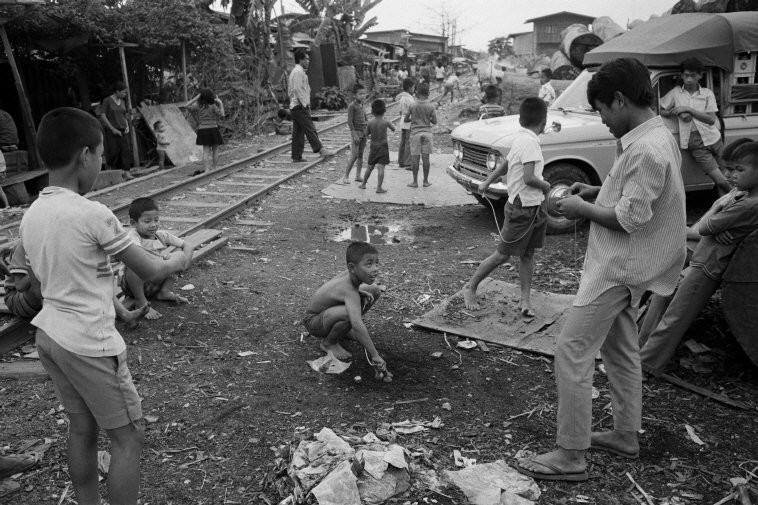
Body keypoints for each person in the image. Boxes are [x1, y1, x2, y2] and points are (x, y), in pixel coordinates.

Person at [517, 58, 686, 481]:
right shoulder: (655, 135)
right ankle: (626, 435)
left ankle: (571, 455)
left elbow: (630, 217)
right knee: (621, 351)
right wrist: (596, 189)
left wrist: (580, 207)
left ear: (620, 99)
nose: (604, 121)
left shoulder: (645, 147)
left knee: (571, 352)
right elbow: (635, 194)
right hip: (636, 265)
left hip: (618, 267)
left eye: (602, 111)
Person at [20, 107, 193, 505]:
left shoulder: (32, 214)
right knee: (128, 437)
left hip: (51, 336)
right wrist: (182, 257)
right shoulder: (92, 213)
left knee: (82, 430)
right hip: (88, 344)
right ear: (85, 155)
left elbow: (49, 281)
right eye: (100, 154)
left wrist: (111, 302)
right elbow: (150, 268)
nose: (100, 162)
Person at [639, 141, 758, 374]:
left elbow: (700, 228)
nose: (730, 175)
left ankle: (643, 367)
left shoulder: (748, 204)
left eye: (739, 170)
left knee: (674, 319)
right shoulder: (742, 194)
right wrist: (715, 218)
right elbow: (706, 226)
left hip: (709, 267)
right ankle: (636, 351)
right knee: (660, 296)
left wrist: (715, 212)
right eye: (729, 169)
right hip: (703, 256)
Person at [462, 97, 550, 316]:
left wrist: (486, 181)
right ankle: (470, 286)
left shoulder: (521, 138)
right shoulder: (529, 142)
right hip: (522, 207)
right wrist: (546, 185)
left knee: (528, 254)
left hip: (534, 206)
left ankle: (525, 300)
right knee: (502, 255)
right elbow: (530, 178)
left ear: (520, 120)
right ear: (544, 122)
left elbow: (507, 164)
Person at [2, 241, 148, 327]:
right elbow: (20, 286)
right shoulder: (26, 243)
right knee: (48, 278)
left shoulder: (59, 239)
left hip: (47, 292)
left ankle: (125, 314)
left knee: (92, 273)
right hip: (20, 299)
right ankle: (54, 325)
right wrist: (39, 264)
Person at [302, 241, 388, 372]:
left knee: (374, 290)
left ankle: (344, 329)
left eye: (376, 263)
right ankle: (329, 343)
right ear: (352, 267)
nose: (375, 269)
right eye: (369, 264)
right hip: (314, 322)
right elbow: (358, 323)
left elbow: (337, 291)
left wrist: (359, 292)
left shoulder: (350, 275)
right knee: (350, 315)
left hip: (327, 313)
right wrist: (375, 356)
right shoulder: (349, 291)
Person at [660, 58, 731, 195]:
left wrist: (689, 110)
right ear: (681, 76)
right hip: (694, 142)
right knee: (721, 180)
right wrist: (677, 113)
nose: (689, 79)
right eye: (686, 75)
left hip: (714, 138)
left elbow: (711, 120)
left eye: (693, 75)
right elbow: (661, 109)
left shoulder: (707, 93)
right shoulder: (676, 92)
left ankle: (728, 209)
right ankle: (741, 200)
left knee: (725, 177)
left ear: (700, 75)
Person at [120, 197, 193, 320]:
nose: (153, 225)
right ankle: (141, 301)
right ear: (133, 223)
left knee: (177, 255)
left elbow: (187, 246)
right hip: (133, 283)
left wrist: (184, 264)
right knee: (134, 265)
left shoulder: (161, 235)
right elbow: (141, 256)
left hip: (153, 281)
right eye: (147, 221)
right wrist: (165, 260)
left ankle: (164, 292)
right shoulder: (133, 237)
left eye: (156, 220)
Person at [288, 50, 334, 163]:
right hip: (299, 106)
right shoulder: (298, 72)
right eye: (306, 59)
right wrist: (304, 104)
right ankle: (321, 150)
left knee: (298, 133)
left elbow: (292, 90)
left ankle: (296, 156)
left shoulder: (298, 71)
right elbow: (296, 89)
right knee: (310, 129)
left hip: (296, 105)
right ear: (301, 60)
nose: (308, 61)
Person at [404, 82, 437, 188]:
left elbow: (406, 119)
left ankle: (414, 182)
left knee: (415, 158)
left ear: (417, 92)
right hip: (427, 133)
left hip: (415, 134)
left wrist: (413, 119)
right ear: (428, 93)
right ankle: (425, 181)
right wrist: (427, 119)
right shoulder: (431, 106)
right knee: (426, 158)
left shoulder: (412, 105)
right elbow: (434, 121)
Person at [97, 81, 133, 179]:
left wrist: (127, 126)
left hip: (123, 129)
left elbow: (124, 114)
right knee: (114, 152)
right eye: (123, 92)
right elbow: (102, 115)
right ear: (117, 91)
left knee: (126, 150)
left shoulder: (123, 101)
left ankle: (126, 172)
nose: (125, 94)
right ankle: (114, 173)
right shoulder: (107, 100)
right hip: (112, 129)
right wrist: (112, 129)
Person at [360, 99, 396, 193]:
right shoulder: (386, 122)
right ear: (384, 110)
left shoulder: (370, 123)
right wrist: (390, 125)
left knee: (370, 167)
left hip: (373, 148)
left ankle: (363, 184)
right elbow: (393, 129)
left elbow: (366, 134)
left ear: (372, 111)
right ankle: (379, 188)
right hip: (383, 147)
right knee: (381, 168)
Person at [186, 88, 224, 173]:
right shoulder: (213, 105)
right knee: (215, 150)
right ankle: (214, 168)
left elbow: (186, 106)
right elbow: (222, 114)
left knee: (206, 151)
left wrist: (196, 98)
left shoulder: (198, 105)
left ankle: (206, 170)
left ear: (201, 96)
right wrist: (220, 103)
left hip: (203, 130)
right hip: (213, 129)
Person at [342, 84, 368, 184]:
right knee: (354, 155)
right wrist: (354, 134)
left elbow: (365, 118)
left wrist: (367, 129)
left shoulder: (362, 104)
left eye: (364, 93)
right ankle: (346, 176)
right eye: (360, 94)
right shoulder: (352, 106)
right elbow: (350, 121)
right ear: (354, 95)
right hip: (356, 133)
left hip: (364, 132)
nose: (363, 96)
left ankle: (358, 175)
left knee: (361, 155)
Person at [396, 78, 415, 170]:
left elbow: (400, 112)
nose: (413, 89)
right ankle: (408, 162)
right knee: (408, 142)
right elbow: (413, 111)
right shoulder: (410, 99)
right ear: (409, 88)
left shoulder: (402, 98)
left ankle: (401, 161)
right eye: (413, 87)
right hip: (409, 121)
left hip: (402, 120)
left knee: (403, 141)